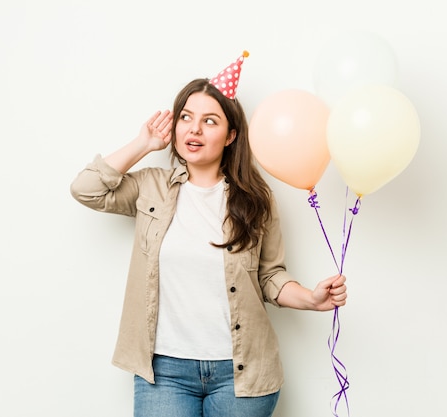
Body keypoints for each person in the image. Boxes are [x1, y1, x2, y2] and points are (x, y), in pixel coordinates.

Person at [70, 52, 347, 417]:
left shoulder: (255, 201)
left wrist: (311, 299)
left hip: (242, 374)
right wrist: (144, 144)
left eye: (209, 121)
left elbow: (269, 276)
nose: (194, 129)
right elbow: (87, 188)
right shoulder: (150, 187)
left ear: (231, 135)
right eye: (185, 117)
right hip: (164, 372)